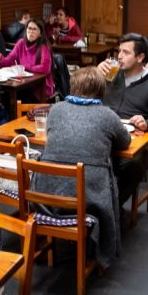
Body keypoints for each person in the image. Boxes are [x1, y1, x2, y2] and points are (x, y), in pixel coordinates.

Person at [32, 67, 131, 268]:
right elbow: (125, 141)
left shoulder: (56, 110)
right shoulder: (107, 115)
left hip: (45, 195)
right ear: (101, 90)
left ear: (73, 86)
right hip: (88, 199)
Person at [97, 33, 148, 207]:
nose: (119, 56)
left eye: (126, 52)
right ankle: (90, 204)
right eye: (119, 51)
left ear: (140, 57)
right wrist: (95, 74)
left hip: (134, 139)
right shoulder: (111, 75)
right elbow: (85, 94)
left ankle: (111, 207)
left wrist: (146, 123)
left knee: (133, 163)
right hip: (104, 134)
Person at [0, 19, 54, 102]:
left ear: (40, 34)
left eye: (34, 29)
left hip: (40, 86)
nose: (31, 32)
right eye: (29, 28)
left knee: (18, 96)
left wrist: (24, 67)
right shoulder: (21, 43)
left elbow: (45, 68)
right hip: (23, 83)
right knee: (5, 95)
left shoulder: (44, 46)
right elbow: (8, 61)